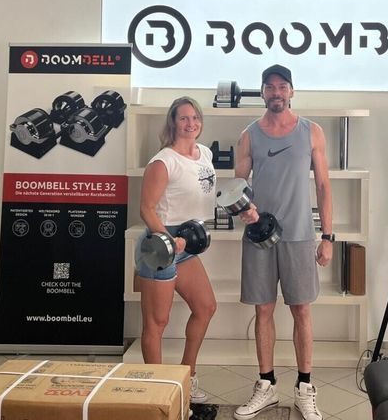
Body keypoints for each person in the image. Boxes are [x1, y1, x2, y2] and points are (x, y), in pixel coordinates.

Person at [233, 65, 333, 420]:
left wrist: (328, 237)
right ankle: (266, 385)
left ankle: (305, 388)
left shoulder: (311, 132)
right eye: (270, 87)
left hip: (299, 234)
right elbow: (237, 187)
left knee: (301, 309)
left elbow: (323, 186)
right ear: (262, 93)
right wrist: (243, 209)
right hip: (259, 236)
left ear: (292, 91)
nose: (276, 92)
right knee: (263, 310)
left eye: (282, 87)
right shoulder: (248, 135)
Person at [137, 96, 217, 404]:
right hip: (161, 244)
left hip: (188, 242)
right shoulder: (163, 161)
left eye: (195, 117)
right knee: (156, 323)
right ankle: (156, 392)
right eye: (183, 118)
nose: (191, 123)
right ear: (173, 123)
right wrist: (171, 241)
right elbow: (146, 208)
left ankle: (187, 377)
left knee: (206, 307)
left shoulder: (204, 153)